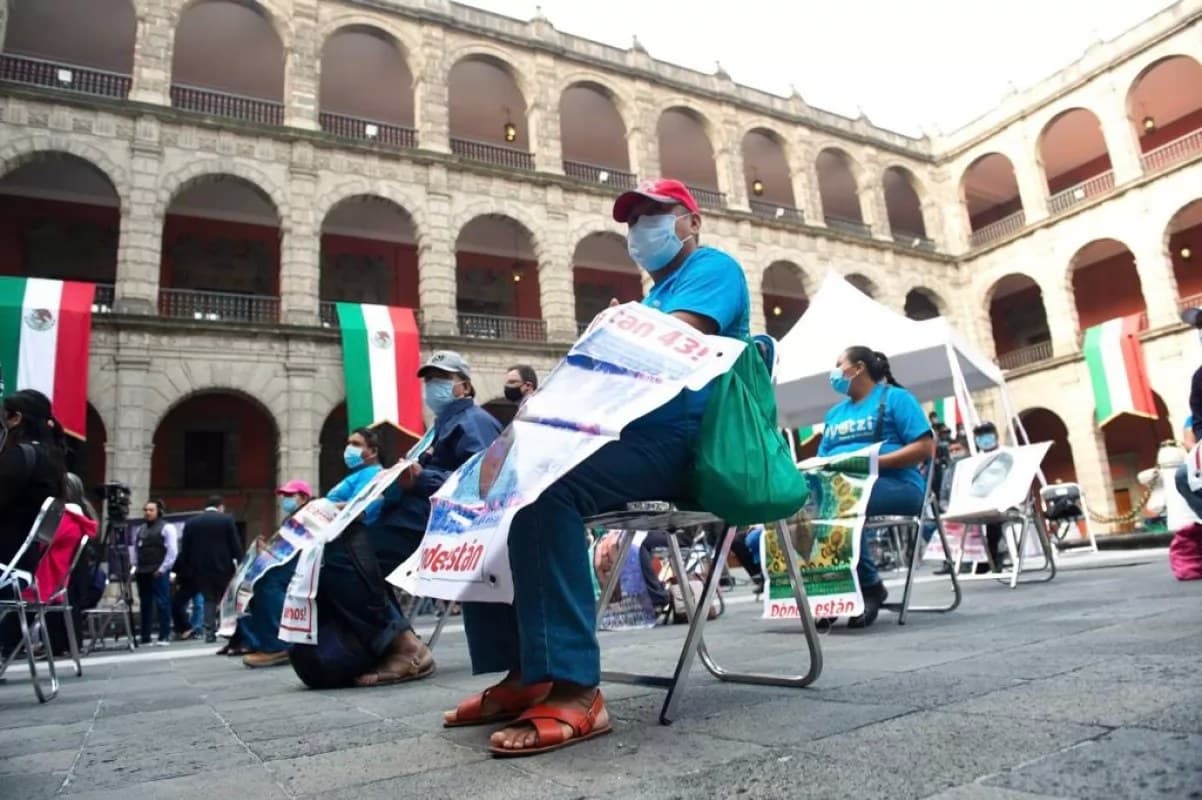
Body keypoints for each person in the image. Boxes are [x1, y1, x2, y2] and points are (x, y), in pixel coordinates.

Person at [446, 178, 750, 756]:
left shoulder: (713, 269)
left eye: (655, 215)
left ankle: (575, 687)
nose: (641, 229)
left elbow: (668, 349)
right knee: (488, 483)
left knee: (542, 488)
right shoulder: (648, 300)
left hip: (683, 446)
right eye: (632, 221)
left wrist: (614, 336)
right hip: (627, 439)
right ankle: (525, 671)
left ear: (692, 221)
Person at [310, 359, 500, 688]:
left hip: (437, 524)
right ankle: (394, 642)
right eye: (428, 380)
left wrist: (421, 478)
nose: (432, 386)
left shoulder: (474, 422)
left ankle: (405, 649)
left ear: (464, 386)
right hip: (409, 517)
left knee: (342, 560)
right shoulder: (439, 428)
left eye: (441, 378)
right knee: (337, 553)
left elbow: (485, 479)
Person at [818, 347, 934, 628]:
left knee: (841, 503)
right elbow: (822, 459)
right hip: (843, 489)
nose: (834, 372)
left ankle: (869, 587)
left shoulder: (896, 398)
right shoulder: (834, 414)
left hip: (898, 485)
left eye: (839, 364)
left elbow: (924, 448)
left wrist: (871, 463)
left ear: (858, 367)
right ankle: (833, 589)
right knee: (805, 509)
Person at [238, 479, 314, 668]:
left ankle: (278, 647)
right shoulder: (290, 520)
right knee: (252, 584)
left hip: (304, 566)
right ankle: (263, 643)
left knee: (267, 584)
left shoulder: (309, 516)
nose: (285, 499)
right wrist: (265, 548)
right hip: (291, 564)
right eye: (284, 496)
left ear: (304, 497)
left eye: (290, 495)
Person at [0, 390, 67, 573]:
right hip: (23, 563)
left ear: (16, 418)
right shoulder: (52, 459)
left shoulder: (19, 456)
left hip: (4, 559)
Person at [177, 496, 243, 643]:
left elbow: (185, 549)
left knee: (209, 599)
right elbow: (235, 544)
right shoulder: (226, 520)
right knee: (226, 599)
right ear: (220, 506)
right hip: (224, 567)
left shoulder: (192, 522)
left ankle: (209, 632)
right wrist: (241, 563)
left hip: (201, 570)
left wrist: (187, 569)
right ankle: (228, 630)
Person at [129, 499, 178, 646]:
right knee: (145, 604)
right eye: (146, 510)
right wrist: (135, 566)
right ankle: (145, 636)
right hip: (143, 570)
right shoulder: (140, 529)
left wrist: (162, 569)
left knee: (163, 603)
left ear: (159, 511)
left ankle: (164, 636)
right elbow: (135, 550)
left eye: (151, 510)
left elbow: (172, 551)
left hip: (158, 571)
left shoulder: (167, 528)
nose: (148, 513)